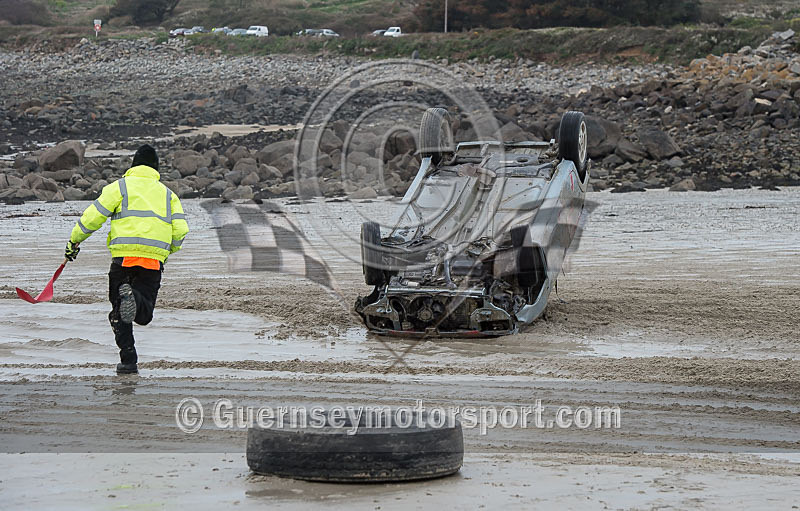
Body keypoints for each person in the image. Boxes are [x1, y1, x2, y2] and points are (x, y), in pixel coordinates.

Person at [65, 144, 189, 374]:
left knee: (119, 313)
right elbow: (181, 231)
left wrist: (74, 241)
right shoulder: (168, 195)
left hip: (123, 260)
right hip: (152, 262)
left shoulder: (119, 188)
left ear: (133, 165)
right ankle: (134, 299)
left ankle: (129, 361)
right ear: (156, 168)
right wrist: (166, 251)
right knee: (143, 315)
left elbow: (93, 217)